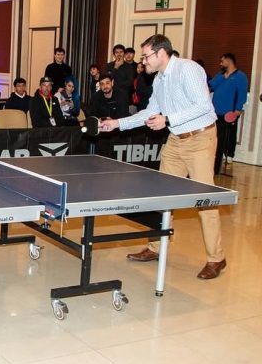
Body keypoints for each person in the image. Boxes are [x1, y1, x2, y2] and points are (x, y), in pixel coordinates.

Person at [99, 34, 227, 280]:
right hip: (175, 141)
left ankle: (216, 258)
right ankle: (156, 247)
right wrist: (117, 123)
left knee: (205, 201)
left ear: (160, 53)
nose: (143, 61)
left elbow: (203, 106)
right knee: (162, 197)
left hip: (200, 140)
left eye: (146, 56)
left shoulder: (189, 69)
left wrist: (167, 119)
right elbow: (149, 112)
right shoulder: (159, 80)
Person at [209, 53, 248, 174]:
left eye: (222, 61)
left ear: (229, 61)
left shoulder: (241, 77)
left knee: (222, 142)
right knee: (212, 140)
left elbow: (242, 95)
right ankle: (210, 166)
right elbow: (210, 86)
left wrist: (237, 111)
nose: (220, 64)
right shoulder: (220, 75)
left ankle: (216, 168)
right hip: (215, 114)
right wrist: (222, 77)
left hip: (229, 114)